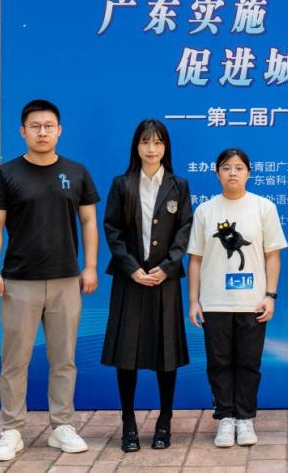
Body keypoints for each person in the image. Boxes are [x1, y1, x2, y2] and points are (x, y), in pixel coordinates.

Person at [0, 99, 100, 462]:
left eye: (49, 126)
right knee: (15, 360)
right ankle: (11, 430)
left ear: (59, 130)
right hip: (20, 281)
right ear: (23, 131)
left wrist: (90, 267)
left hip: (66, 280)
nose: (42, 132)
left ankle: (62, 426)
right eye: (35, 126)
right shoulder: (6, 174)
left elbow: (89, 222)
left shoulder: (76, 172)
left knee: (64, 359)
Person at [187, 148, 288, 448]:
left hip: (252, 302)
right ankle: (225, 418)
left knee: (248, 362)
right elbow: (195, 259)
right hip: (215, 302)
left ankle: (245, 418)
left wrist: (270, 295)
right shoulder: (205, 211)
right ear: (217, 173)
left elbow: (273, 255)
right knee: (218, 362)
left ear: (249, 173)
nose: (233, 172)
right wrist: (193, 300)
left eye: (239, 167)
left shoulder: (263, 207)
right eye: (226, 167)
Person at [100, 119, 191, 452]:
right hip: (130, 280)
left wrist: (167, 268)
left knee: (166, 353)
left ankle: (165, 419)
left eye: (158, 143)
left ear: (166, 148)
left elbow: (184, 230)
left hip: (165, 281)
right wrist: (132, 269)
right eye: (145, 142)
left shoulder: (179, 186)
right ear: (136, 147)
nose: (151, 149)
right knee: (127, 353)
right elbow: (112, 230)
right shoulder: (122, 184)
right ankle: (128, 421)